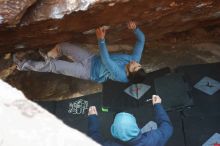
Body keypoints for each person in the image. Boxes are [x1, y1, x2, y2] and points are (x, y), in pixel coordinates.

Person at [13, 21, 146, 83]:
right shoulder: (135, 59)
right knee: (63, 46)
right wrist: (135, 28)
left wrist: (101, 40)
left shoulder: (120, 76)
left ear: (129, 74)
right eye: (138, 64)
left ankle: (22, 65)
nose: (134, 62)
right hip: (92, 59)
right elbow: (141, 41)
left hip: (88, 72)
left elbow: (107, 60)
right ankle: (46, 57)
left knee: (55, 66)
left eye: (134, 66)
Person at [87, 95, 173, 146]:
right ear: (135, 126)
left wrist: (92, 117)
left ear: (113, 130)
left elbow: (93, 135)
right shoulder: (152, 138)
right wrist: (157, 105)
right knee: (152, 124)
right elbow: (167, 126)